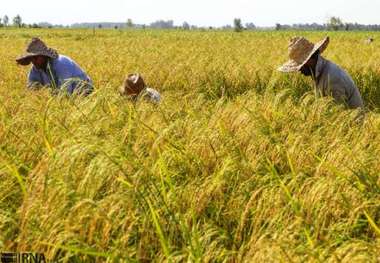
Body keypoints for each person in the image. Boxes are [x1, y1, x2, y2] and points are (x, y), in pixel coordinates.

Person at [278, 36, 364, 109]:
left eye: (301, 64)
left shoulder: (332, 78)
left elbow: (336, 114)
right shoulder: (319, 73)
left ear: (310, 59)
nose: (299, 70)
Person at [16, 37, 93, 96]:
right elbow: (32, 88)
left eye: (36, 58)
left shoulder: (62, 64)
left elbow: (65, 93)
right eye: (31, 59)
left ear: (44, 56)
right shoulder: (36, 68)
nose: (34, 61)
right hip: (62, 94)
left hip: (84, 92)